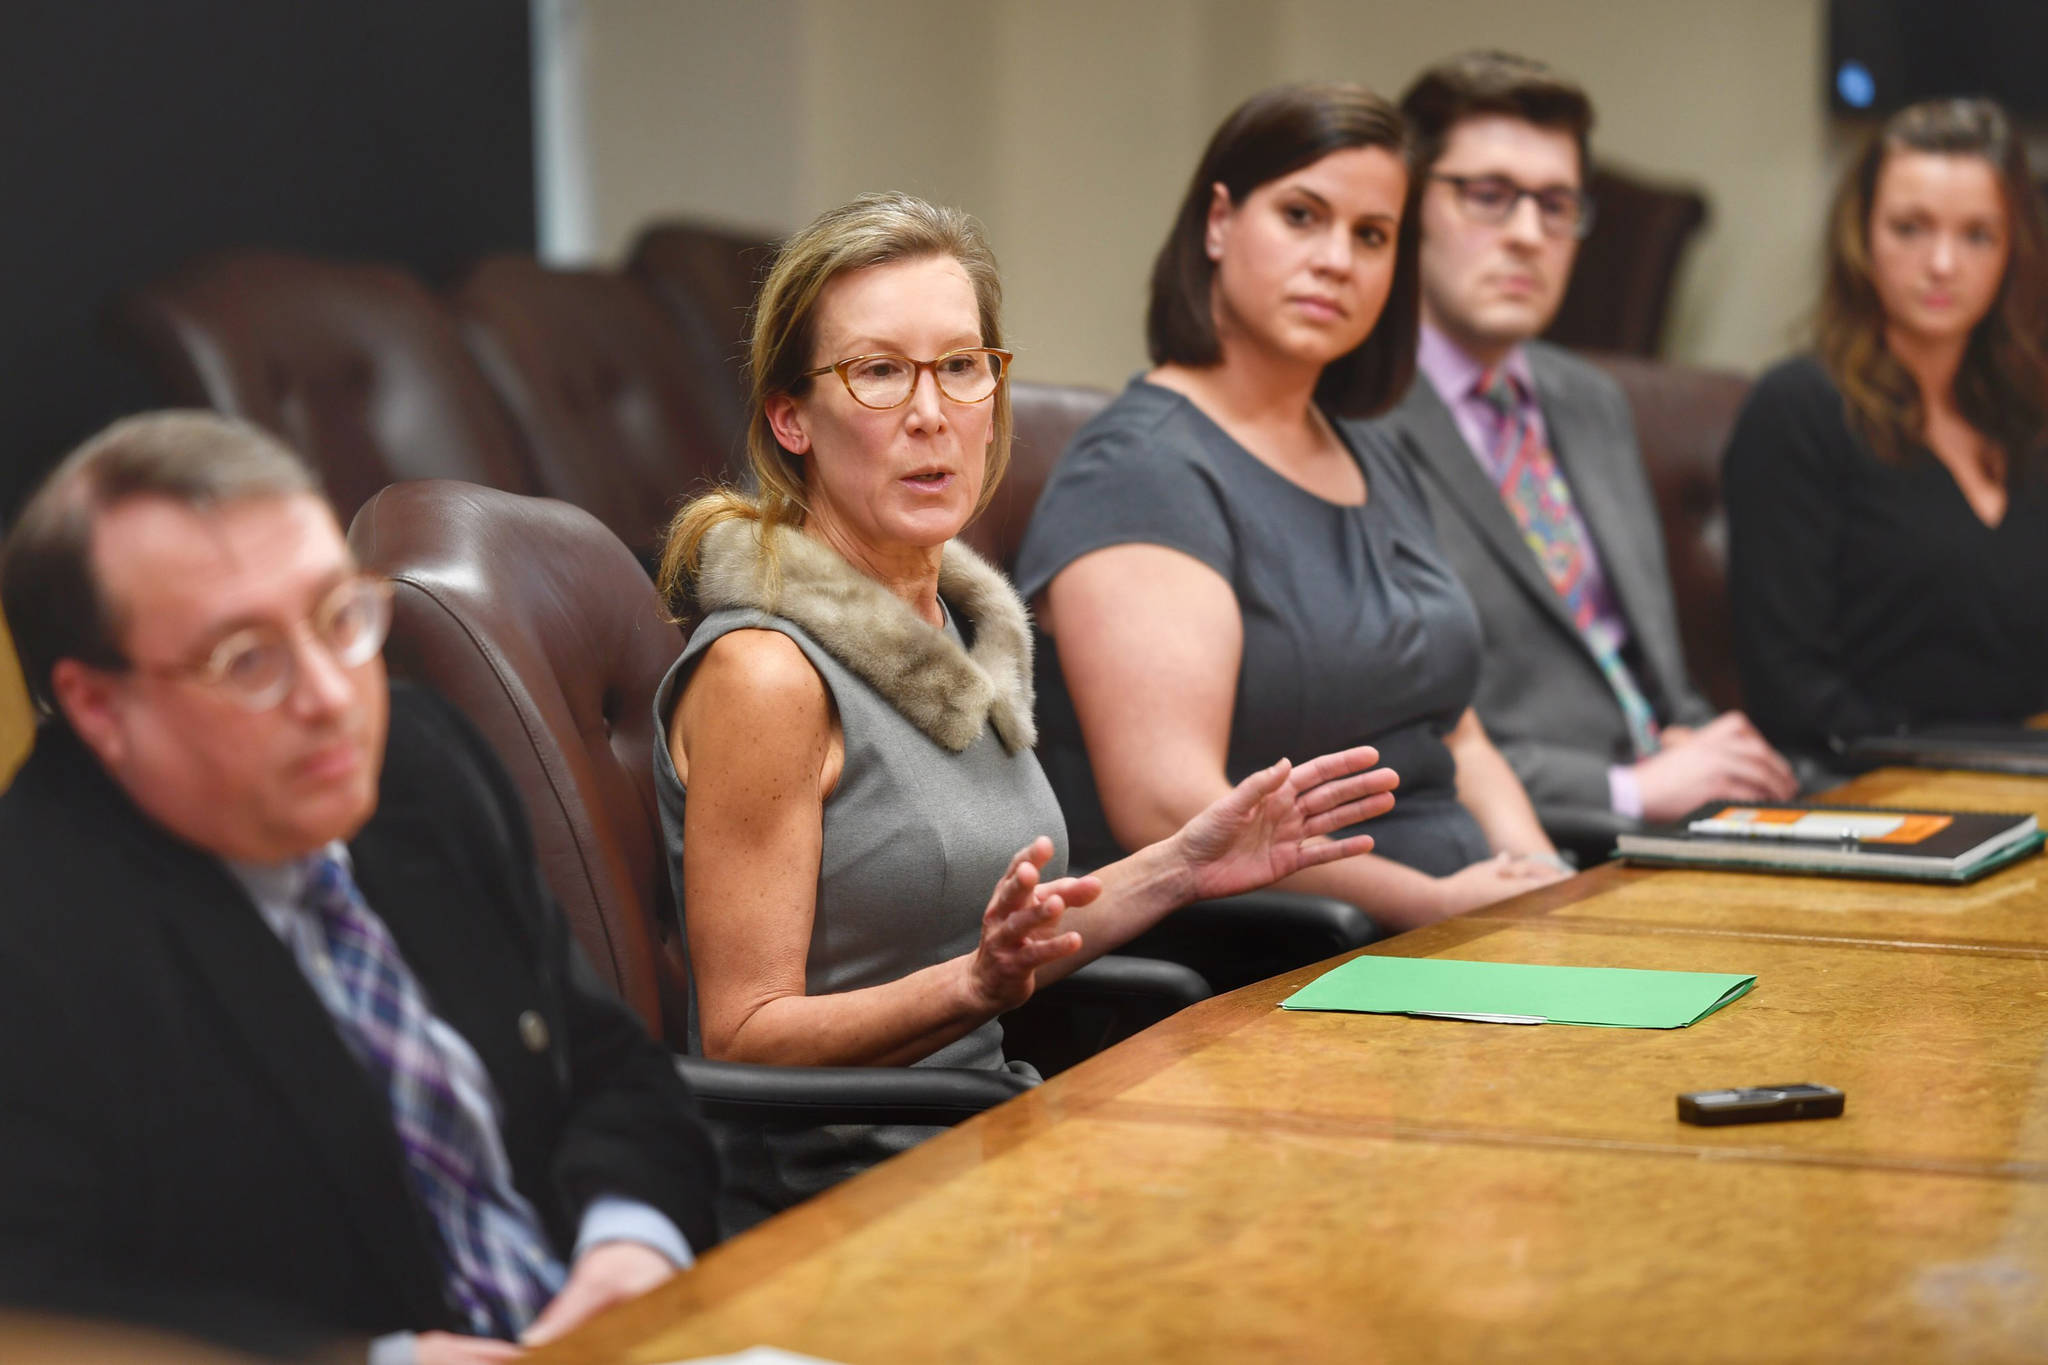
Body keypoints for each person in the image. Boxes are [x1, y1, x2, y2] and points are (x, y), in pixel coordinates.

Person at [653, 191, 1398, 1227]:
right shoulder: (766, 674)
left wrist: (1184, 864)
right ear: (790, 417)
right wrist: (969, 988)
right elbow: (741, 1037)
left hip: (993, 1148)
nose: (930, 413)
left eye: (960, 367)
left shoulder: (956, 639)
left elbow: (1008, 946)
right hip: (850, 1212)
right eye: (877, 372)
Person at [0, 414, 720, 1365]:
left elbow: (611, 1069)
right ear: (98, 705)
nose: (333, 695)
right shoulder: (35, 938)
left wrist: (629, 1243)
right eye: (247, 658)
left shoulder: (421, 762)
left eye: (341, 617)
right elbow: (41, 1315)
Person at [1013, 83, 1569, 932]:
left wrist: (1544, 878)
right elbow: (1172, 814)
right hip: (1294, 957)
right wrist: (1438, 905)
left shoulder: (1368, 445)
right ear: (1219, 222)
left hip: (1467, 925)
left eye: (1372, 236)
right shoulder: (1139, 469)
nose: (1338, 260)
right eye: (1303, 216)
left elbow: (1458, 736)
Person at [1369, 51, 1797, 846]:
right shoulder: (1355, 415)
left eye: (1557, 204)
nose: (1530, 235)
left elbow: (1648, 673)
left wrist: (1704, 750)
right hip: (1526, 841)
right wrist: (1629, 787)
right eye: (1490, 197)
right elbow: (1398, 738)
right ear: (1409, 205)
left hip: (1686, 814)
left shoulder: (1591, 399)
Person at [1724, 96, 2048, 761]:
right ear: (1862, 235)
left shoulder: (2028, 417)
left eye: (1977, 235)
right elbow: (1793, 695)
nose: (1943, 265)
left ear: (2013, 248)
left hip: (2025, 778)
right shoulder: (1798, 408)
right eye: (1911, 228)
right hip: (1864, 788)